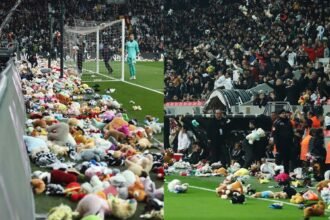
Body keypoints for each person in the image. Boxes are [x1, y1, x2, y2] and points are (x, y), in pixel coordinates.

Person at [273, 109, 294, 174]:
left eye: (285, 113)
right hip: (280, 144)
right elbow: (274, 134)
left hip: (288, 144)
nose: (284, 114)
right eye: (282, 113)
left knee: (286, 159)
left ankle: (286, 173)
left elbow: (291, 132)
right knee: (279, 159)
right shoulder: (277, 122)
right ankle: (277, 173)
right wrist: (276, 143)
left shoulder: (289, 122)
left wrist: (291, 142)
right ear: (279, 114)